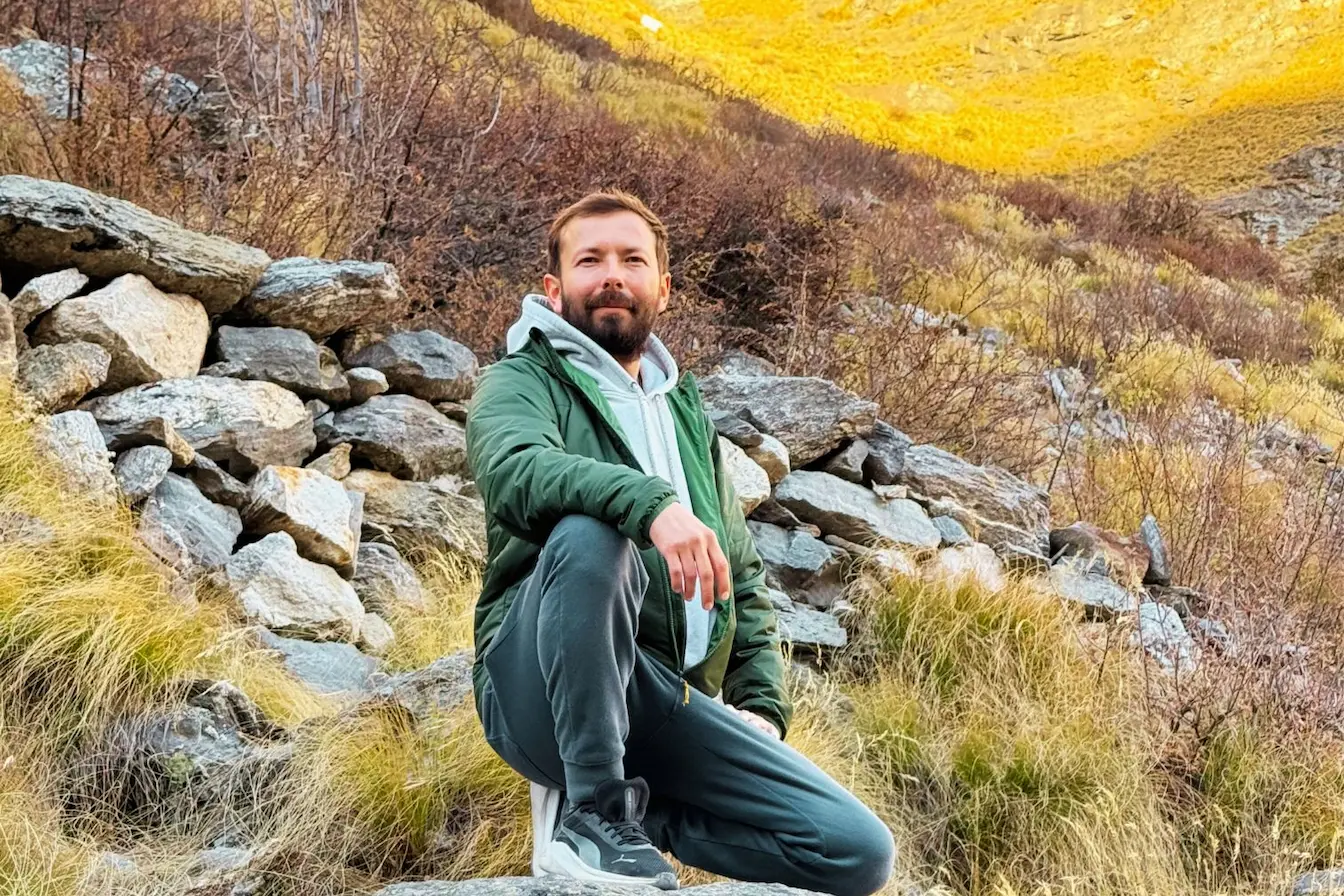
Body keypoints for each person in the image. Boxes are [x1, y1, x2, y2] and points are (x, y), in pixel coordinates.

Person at [464, 190, 895, 895]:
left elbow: (743, 580)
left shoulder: (688, 418)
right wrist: (650, 504)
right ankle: (594, 812)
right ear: (554, 287)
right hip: (535, 686)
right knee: (592, 531)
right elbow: (515, 472)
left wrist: (760, 702)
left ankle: (628, 816)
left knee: (855, 852)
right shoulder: (520, 381)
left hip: (664, 702)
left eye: (632, 260)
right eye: (590, 260)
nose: (613, 276)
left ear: (663, 286)